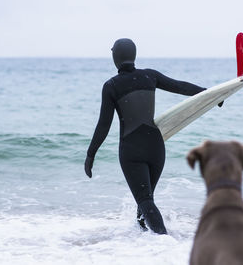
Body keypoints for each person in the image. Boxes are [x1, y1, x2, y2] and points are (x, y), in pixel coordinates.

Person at [84, 38, 208, 234]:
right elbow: (180, 87)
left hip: (132, 150)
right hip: (156, 148)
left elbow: (103, 125)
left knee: (145, 200)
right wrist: (208, 95)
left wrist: (90, 154)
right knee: (145, 200)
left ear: (115, 57)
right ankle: (144, 242)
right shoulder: (150, 76)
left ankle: (164, 243)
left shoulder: (111, 86)